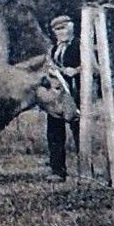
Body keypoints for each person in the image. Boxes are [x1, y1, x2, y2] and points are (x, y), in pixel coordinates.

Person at [47, 14, 82, 179]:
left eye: (64, 28)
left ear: (71, 28)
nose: (61, 32)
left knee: (78, 129)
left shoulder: (80, 45)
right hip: (57, 95)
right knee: (54, 130)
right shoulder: (53, 49)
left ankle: (85, 168)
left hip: (77, 93)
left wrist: (76, 70)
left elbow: (95, 68)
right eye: (58, 30)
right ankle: (57, 171)